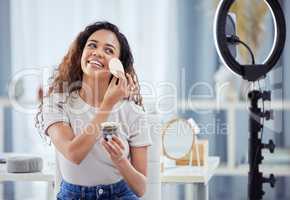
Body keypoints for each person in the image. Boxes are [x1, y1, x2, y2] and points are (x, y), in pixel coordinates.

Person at [35, 21, 152, 200]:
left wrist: (121, 160)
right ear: (81, 53)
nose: (97, 53)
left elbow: (141, 188)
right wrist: (108, 105)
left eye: (109, 50)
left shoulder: (133, 113)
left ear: (118, 65)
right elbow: (73, 154)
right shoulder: (57, 103)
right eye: (92, 45)